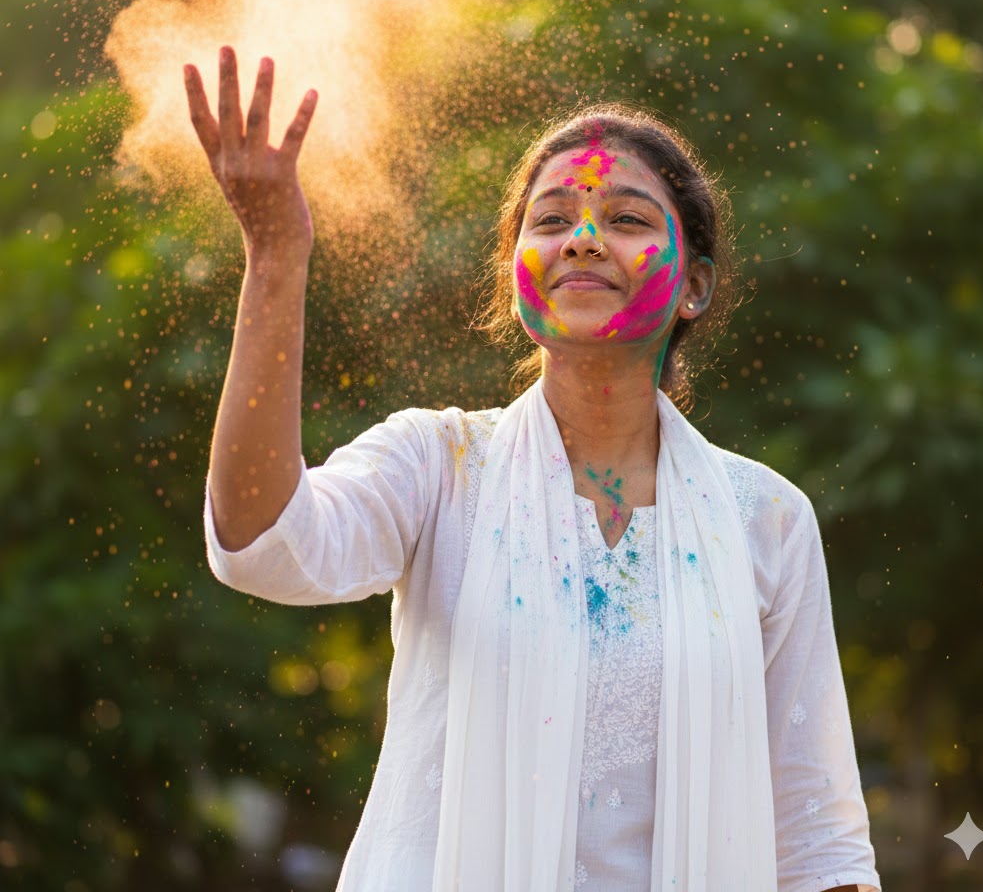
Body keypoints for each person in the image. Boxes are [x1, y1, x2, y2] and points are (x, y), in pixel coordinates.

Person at [185, 46, 883, 892]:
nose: (583, 240)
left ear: (694, 286)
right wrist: (275, 257)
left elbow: (816, 841)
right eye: (551, 221)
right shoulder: (438, 466)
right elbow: (264, 541)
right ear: (515, 269)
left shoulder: (765, 518)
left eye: (627, 220)